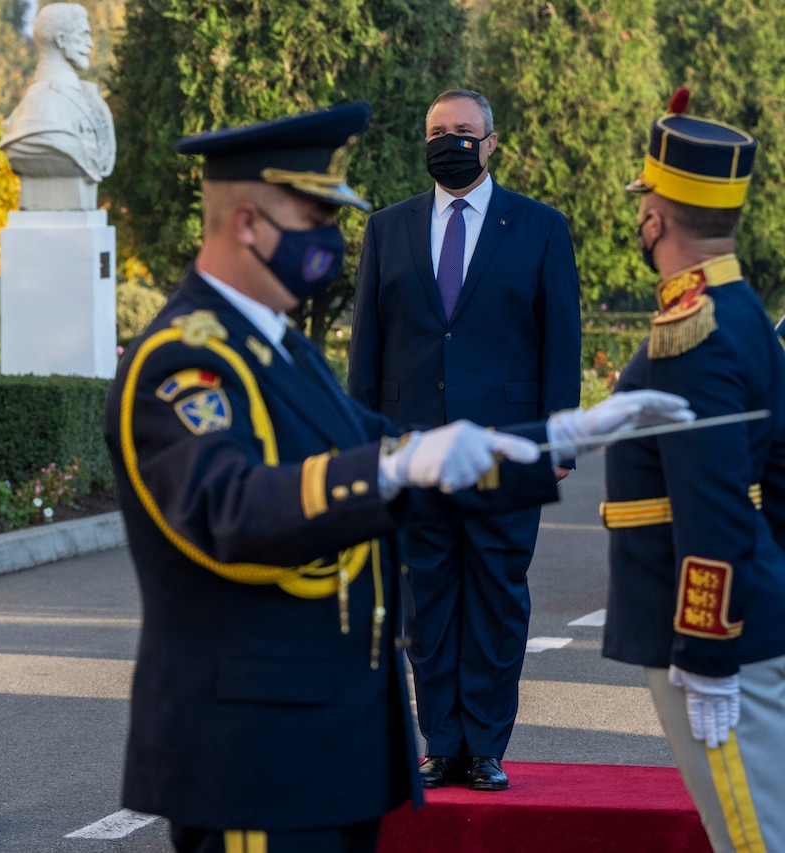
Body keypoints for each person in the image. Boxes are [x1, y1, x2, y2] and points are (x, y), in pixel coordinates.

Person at [105, 102, 691, 853]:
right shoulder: (184, 361)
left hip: (328, 743)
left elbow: (391, 442)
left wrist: (554, 433)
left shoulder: (280, 348)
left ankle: (474, 740)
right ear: (248, 221)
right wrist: (393, 465)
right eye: (313, 216)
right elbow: (231, 508)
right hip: (254, 749)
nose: (329, 239)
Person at [347, 88, 582, 791]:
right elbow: (368, 348)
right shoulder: (387, 230)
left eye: (464, 131)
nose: (450, 141)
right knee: (426, 602)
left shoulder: (540, 227)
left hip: (507, 450)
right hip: (412, 450)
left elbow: (560, 345)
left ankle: (485, 743)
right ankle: (441, 741)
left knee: (498, 597)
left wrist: (558, 442)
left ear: (492, 141)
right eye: (437, 131)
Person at [601, 88, 785, 853]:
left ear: (655, 215)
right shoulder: (742, 310)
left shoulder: (694, 329)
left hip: (716, 643)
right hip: (755, 615)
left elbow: (711, 503)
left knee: (752, 839)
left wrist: (706, 651)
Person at [0, 2, 115, 186]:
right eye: (83, 35)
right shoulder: (39, 103)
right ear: (61, 40)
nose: (90, 44)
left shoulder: (86, 96)